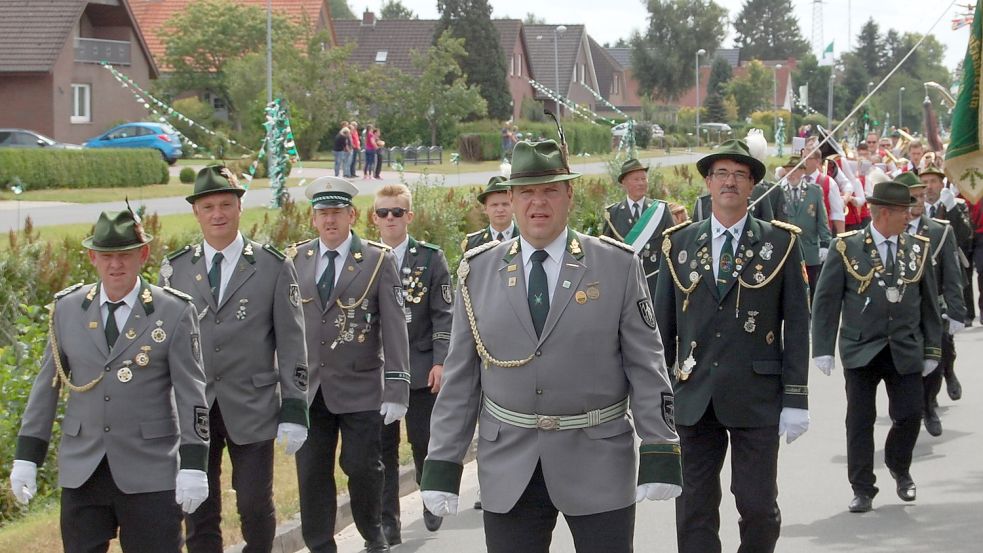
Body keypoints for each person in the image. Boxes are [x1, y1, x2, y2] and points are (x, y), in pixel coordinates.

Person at [420, 139, 682, 553]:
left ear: (569, 195)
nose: (537, 203)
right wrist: (442, 463)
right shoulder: (478, 270)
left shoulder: (617, 265)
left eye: (550, 191)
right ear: (510, 198)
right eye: (526, 192)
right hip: (509, 461)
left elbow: (646, 365)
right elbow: (461, 379)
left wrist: (660, 447)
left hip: (597, 456)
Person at [10, 207, 209, 552]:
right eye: (106, 256)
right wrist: (27, 455)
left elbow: (191, 393)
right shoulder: (67, 308)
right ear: (92, 258)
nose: (115, 265)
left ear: (143, 254)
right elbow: (47, 386)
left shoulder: (172, 311)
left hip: (149, 465)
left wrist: (194, 464)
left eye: (125, 255)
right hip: (83, 466)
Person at [654, 139, 810, 553]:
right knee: (694, 509)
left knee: (758, 507)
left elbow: (797, 323)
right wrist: (656, 396)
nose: (730, 182)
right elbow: (660, 329)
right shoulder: (679, 244)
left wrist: (797, 397)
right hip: (694, 394)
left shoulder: (780, 244)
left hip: (756, 394)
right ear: (707, 182)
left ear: (753, 186)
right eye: (721, 173)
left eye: (740, 175)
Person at [162, 165, 310, 553]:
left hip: (252, 403)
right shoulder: (176, 270)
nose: (217, 214)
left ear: (240, 207)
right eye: (208, 206)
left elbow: (292, 341)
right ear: (196, 212)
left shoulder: (272, 266)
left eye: (226, 204)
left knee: (253, 504)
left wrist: (295, 407)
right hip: (195, 408)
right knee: (198, 507)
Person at [291, 176, 410, 553]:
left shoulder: (376, 260)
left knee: (361, 467)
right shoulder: (295, 259)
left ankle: (372, 531)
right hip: (310, 389)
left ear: (352, 215)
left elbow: (394, 329)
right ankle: (320, 543)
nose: (329, 221)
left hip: (360, 387)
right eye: (322, 214)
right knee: (311, 474)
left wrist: (397, 387)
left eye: (336, 213)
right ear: (313, 219)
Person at [811, 180, 942, 513]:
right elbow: (826, 301)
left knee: (911, 414)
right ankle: (862, 487)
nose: (909, 217)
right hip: (861, 347)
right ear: (885, 212)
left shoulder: (918, 247)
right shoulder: (847, 247)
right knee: (859, 420)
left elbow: (928, 304)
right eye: (904, 211)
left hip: (905, 346)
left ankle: (899, 466)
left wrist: (933, 351)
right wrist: (822, 347)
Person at [372, 184, 454, 544]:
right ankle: (387, 521)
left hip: (421, 368)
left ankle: (428, 491)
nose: (391, 218)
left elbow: (443, 315)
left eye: (398, 212)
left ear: (410, 216)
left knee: (424, 441)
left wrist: (441, 362)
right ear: (374, 218)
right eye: (383, 212)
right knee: (381, 451)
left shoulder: (430, 259)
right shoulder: (366, 259)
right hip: (376, 373)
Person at [897, 171, 965, 436]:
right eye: (912, 197)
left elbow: (952, 275)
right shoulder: (890, 228)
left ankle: (929, 404)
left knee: (937, 355)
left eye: (921, 196)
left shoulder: (939, 231)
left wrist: (957, 312)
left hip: (934, 308)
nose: (918, 202)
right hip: (902, 310)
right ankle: (910, 408)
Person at [601, 158, 675, 298]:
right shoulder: (613, 213)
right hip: (624, 282)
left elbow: (673, 244)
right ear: (624, 183)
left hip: (654, 281)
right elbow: (605, 251)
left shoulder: (660, 210)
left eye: (644, 179)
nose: (641, 183)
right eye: (636, 179)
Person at [779, 154, 832, 298]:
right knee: (790, 287)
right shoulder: (779, 191)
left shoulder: (814, 191)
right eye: (788, 170)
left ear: (802, 171)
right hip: (786, 248)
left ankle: (811, 316)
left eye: (795, 170)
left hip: (810, 249)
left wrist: (825, 243)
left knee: (812, 287)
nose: (791, 174)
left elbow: (822, 219)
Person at [461, 176, 519, 251]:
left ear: (514, 206)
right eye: (494, 205)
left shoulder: (527, 239)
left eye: (505, 204)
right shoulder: (473, 244)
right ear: (485, 208)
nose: (500, 210)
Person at [802, 143, 846, 234]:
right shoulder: (796, 179)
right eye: (803, 157)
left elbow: (837, 214)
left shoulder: (828, 182)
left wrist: (841, 239)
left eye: (808, 158)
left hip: (820, 236)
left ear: (818, 161)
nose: (803, 161)